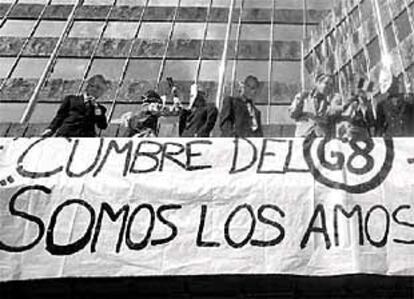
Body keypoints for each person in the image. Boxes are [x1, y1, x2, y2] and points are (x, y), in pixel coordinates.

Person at [42, 74, 108, 137]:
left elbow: (102, 126)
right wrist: (50, 129)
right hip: (66, 135)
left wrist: (96, 108)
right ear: (89, 86)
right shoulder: (71, 99)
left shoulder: (100, 108)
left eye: (102, 90)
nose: (99, 92)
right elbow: (60, 117)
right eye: (98, 88)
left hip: (85, 139)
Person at [289, 73, 339, 138]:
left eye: (331, 85)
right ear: (317, 83)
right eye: (326, 83)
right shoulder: (304, 97)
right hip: (303, 136)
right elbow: (293, 114)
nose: (328, 87)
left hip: (320, 139)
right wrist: (300, 101)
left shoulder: (330, 102)